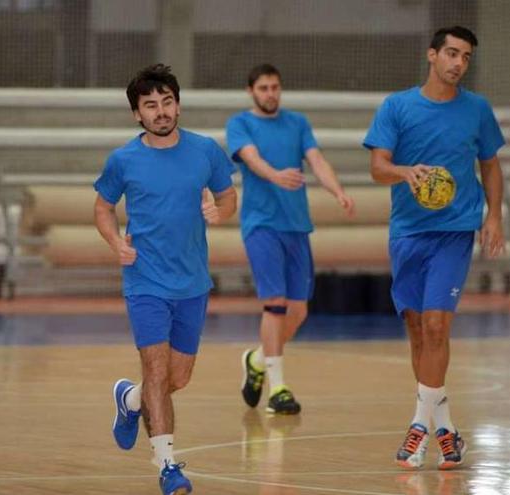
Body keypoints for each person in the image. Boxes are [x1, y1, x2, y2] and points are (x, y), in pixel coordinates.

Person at [363, 26, 506, 469]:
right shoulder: (398, 107)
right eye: (451, 53)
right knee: (418, 332)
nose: (458, 63)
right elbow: (377, 167)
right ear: (432, 55)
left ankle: (418, 426)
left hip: (454, 232)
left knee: (437, 326)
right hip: (408, 233)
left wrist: (494, 216)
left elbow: (491, 166)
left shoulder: (477, 110)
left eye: (465, 56)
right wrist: (405, 173)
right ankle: (444, 424)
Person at [95, 64, 237, 495]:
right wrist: (115, 241)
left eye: (167, 102)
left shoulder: (206, 151)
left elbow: (228, 196)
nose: (161, 112)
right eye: (150, 105)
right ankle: (168, 464)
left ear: (178, 104)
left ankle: (130, 399)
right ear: (137, 114)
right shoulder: (123, 159)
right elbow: (102, 208)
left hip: (192, 282)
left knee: (177, 379)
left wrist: (221, 211)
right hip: (145, 281)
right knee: (157, 371)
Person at [228, 64, 354, 415]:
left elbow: (317, 160)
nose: (271, 93)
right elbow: (251, 160)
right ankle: (278, 387)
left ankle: (256, 359)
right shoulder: (241, 124)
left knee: (298, 310)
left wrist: (338, 191)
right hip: (262, 225)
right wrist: (276, 175)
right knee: (276, 304)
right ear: (251, 91)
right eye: (264, 88)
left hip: (297, 226)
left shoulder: (297, 123)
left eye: (275, 87)